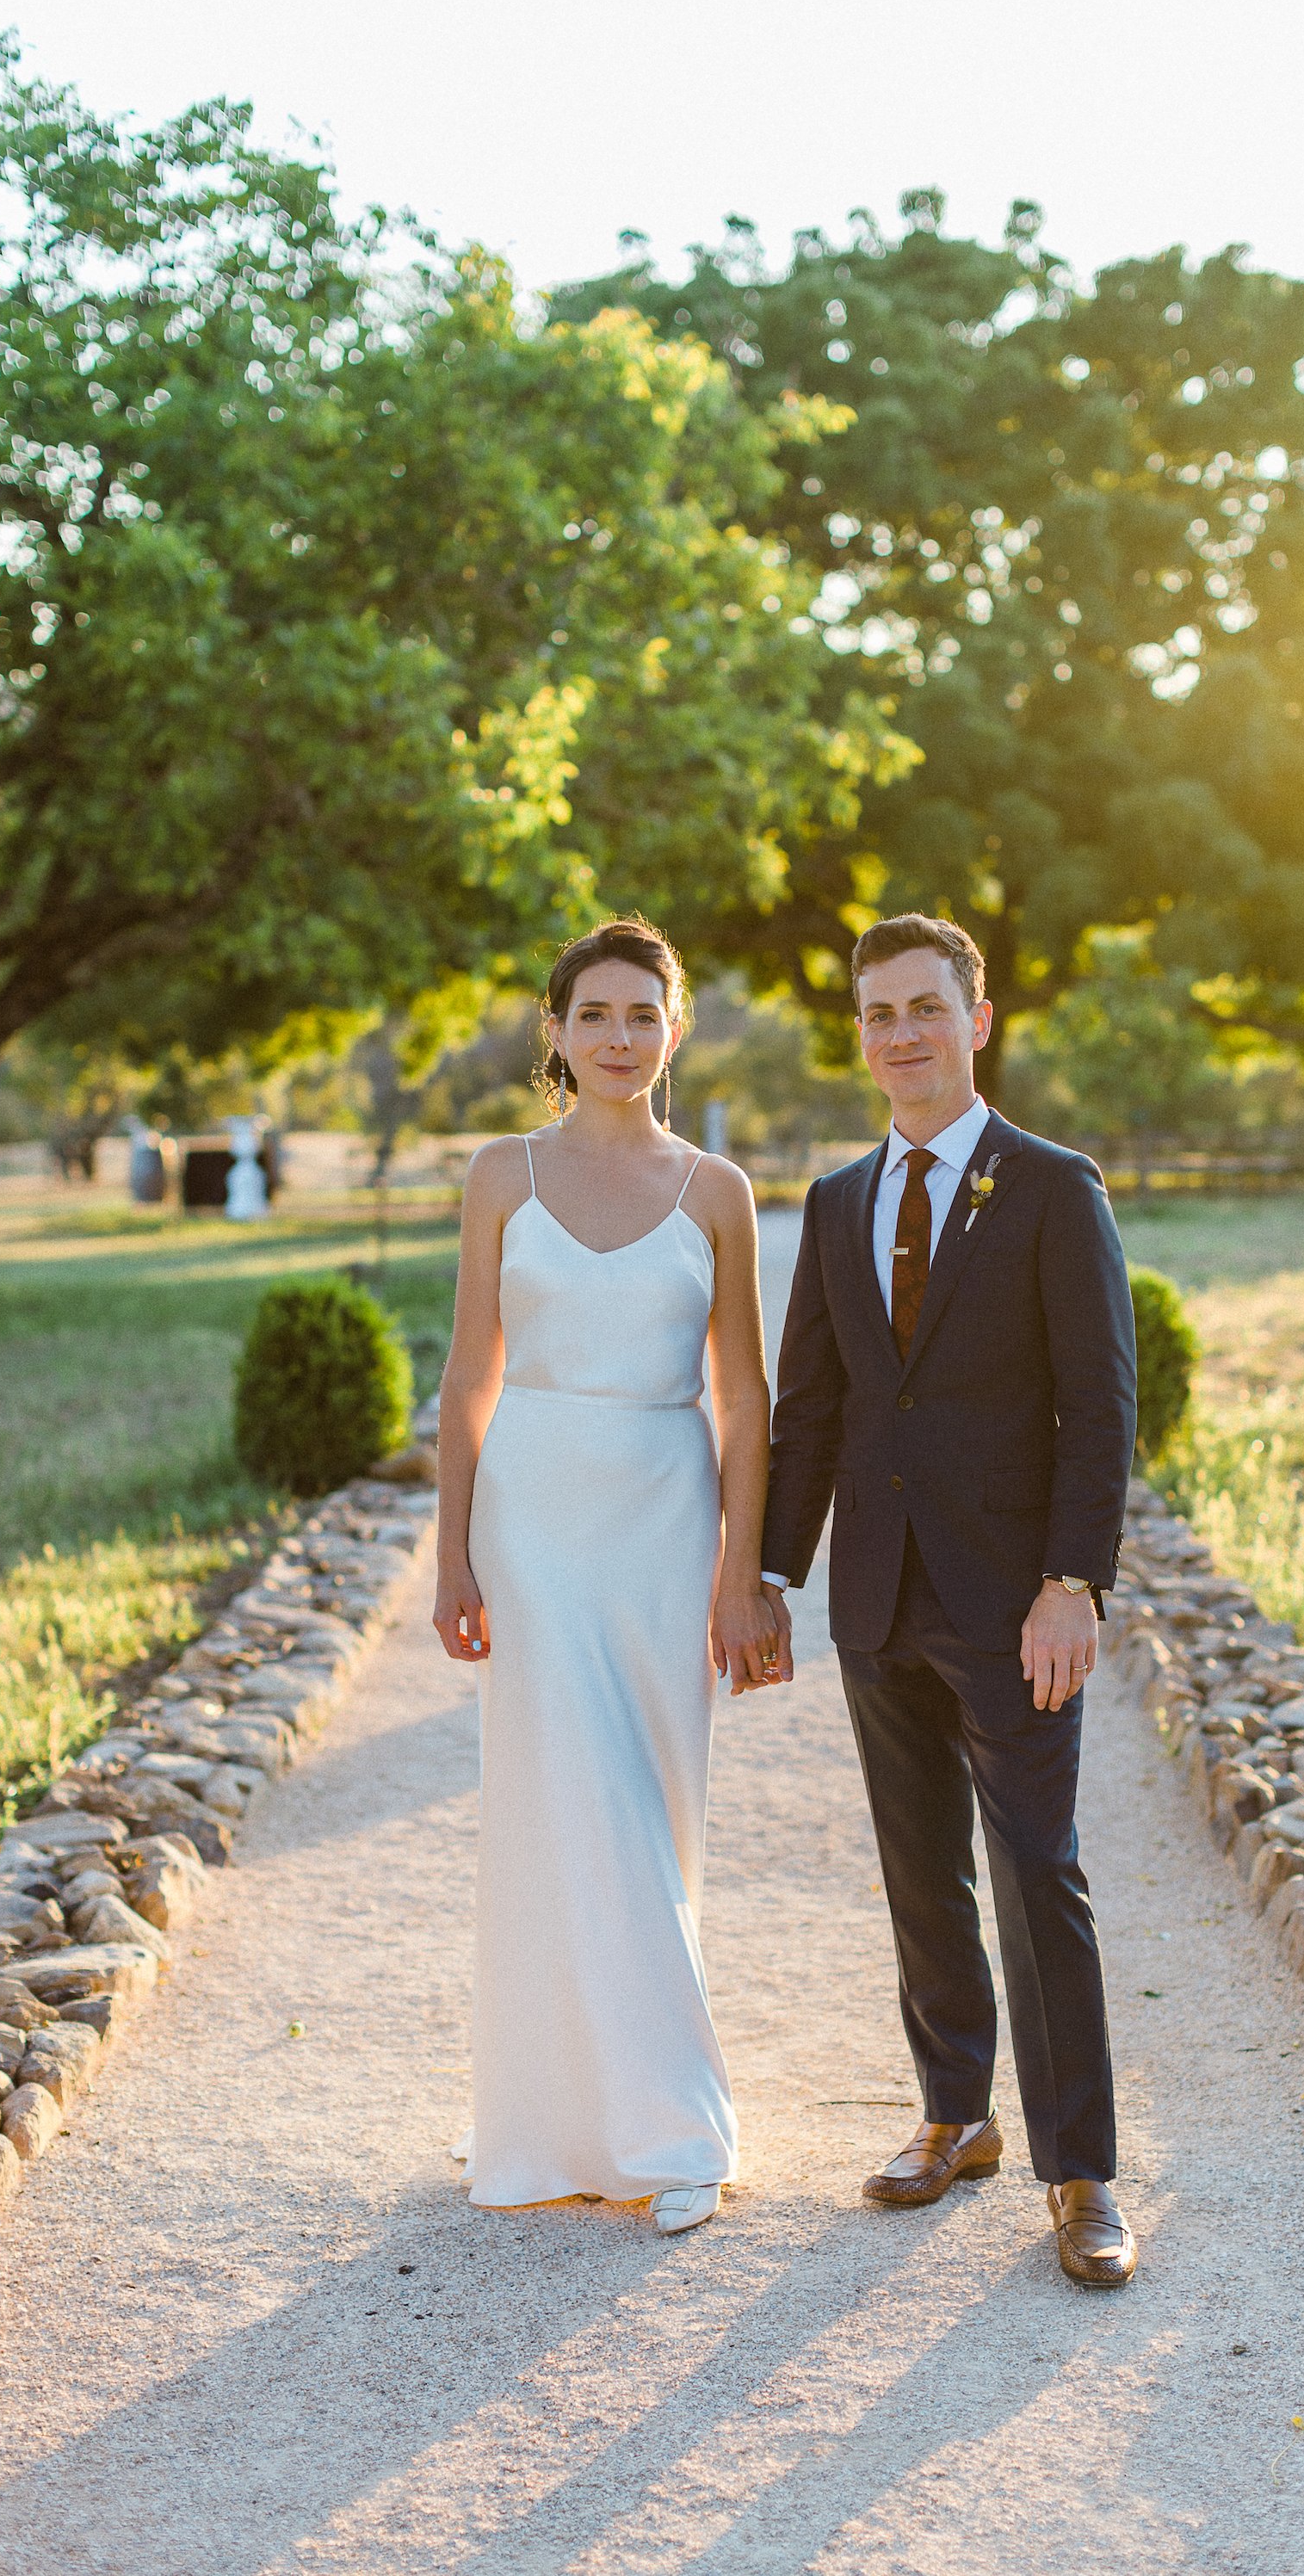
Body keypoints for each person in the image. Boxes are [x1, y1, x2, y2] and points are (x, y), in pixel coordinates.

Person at [759, 912, 1140, 2287]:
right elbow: (813, 1410)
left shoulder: (1052, 1187)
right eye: (877, 1014)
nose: (901, 1034)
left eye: (926, 1007)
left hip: (1015, 1603)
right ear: (859, 1035)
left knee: (1042, 1873)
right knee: (921, 1871)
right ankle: (953, 2117)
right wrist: (769, 1572)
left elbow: (1099, 1407)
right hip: (879, 1597)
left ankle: (1083, 2175)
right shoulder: (837, 1202)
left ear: (977, 1021)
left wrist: (1071, 1582)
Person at [431, 917, 788, 2238]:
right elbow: (471, 1375)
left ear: (675, 1030)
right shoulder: (499, 1176)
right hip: (531, 1519)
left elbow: (744, 1400)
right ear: (559, 1034)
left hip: (661, 1520)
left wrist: (740, 1572)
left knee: (651, 1813)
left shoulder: (717, 1193)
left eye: (645, 1015)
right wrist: (453, 1548)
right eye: (597, 1016)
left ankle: (635, 2109)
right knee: (551, 1805)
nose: (621, 1038)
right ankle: (621, 2123)